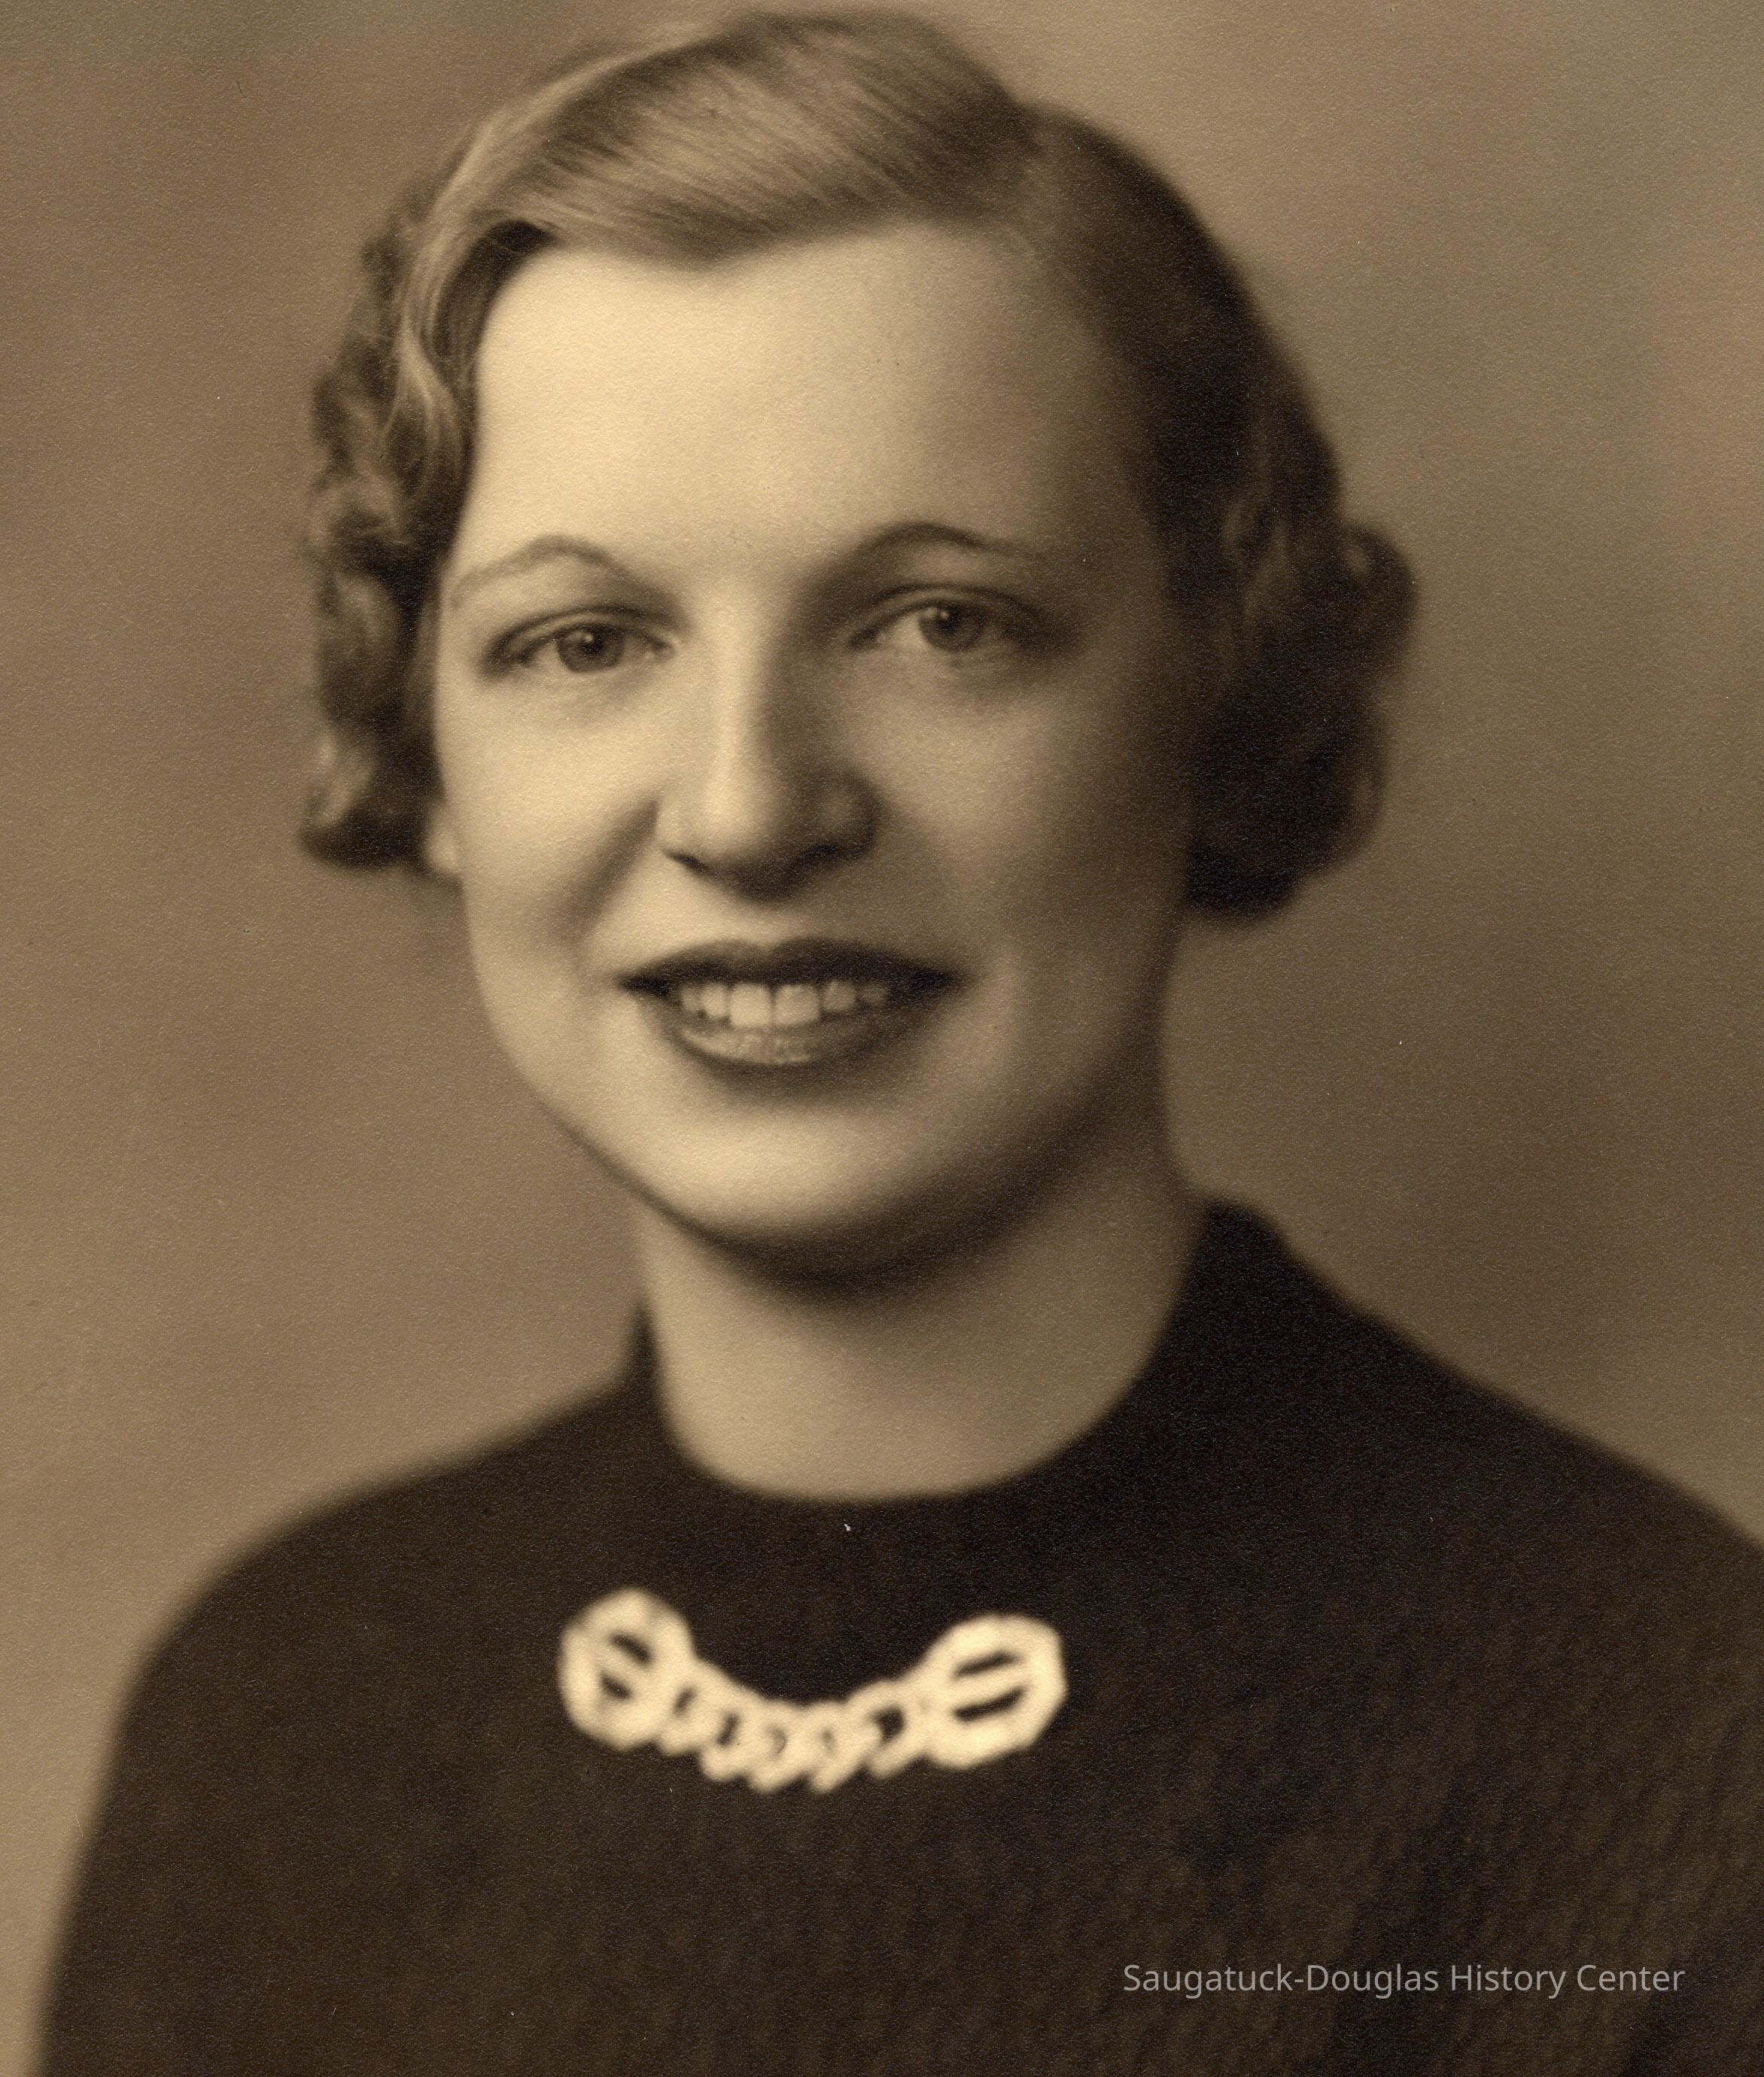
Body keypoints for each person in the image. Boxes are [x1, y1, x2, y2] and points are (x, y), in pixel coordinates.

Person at [41, 11, 1764, 2071]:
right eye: (584, 642)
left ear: (1215, 697)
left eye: (942, 623)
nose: (750, 808)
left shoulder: (1668, 1753)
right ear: (426, 764)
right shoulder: (279, 1726)